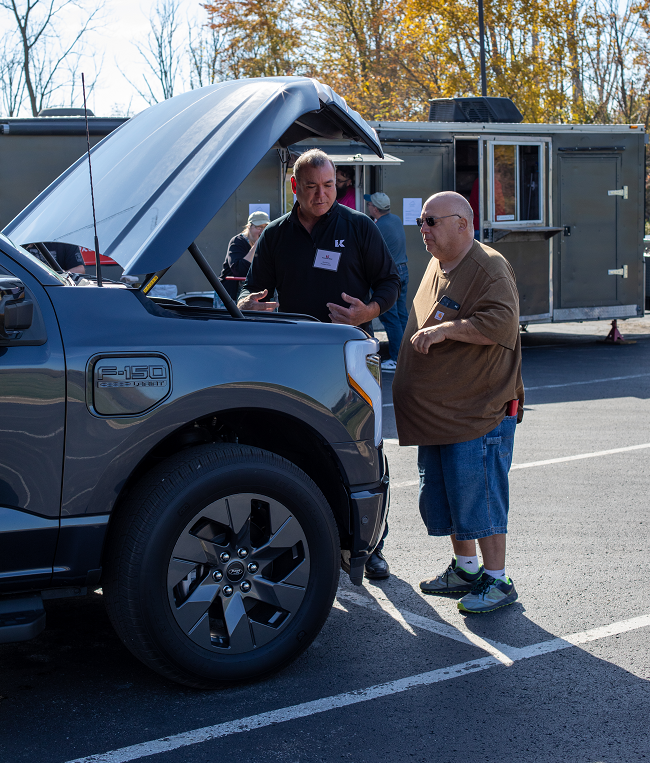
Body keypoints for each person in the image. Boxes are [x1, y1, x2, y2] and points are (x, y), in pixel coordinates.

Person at [238, 148, 400, 579]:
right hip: (292, 361)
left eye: (329, 186)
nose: (322, 195)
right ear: (295, 187)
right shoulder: (275, 234)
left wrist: (365, 314)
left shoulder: (358, 226)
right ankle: (295, 540)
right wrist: (250, 304)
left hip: (349, 355)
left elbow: (390, 283)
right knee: (292, 447)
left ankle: (372, 545)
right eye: (312, 187)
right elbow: (251, 291)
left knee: (365, 449)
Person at [392, 191, 524, 613]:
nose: (424, 230)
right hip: (440, 414)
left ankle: (498, 581)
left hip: (477, 413)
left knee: (479, 496)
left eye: (432, 222)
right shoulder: (438, 262)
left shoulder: (489, 266)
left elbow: (501, 323)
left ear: (463, 223)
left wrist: (447, 331)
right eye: (422, 223)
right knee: (449, 497)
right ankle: (466, 568)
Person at [365, 192, 408, 371]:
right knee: (401, 314)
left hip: (391, 274)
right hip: (404, 269)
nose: (367, 206)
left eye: (369, 204)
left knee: (390, 317)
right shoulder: (396, 220)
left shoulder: (378, 226)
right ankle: (408, 354)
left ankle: (397, 358)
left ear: (375, 208)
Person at [219, 211, 270, 301]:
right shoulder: (237, 242)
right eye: (259, 227)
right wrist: (256, 246)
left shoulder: (268, 243)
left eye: (265, 227)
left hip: (257, 292)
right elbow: (239, 271)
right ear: (249, 227)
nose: (262, 231)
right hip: (231, 295)